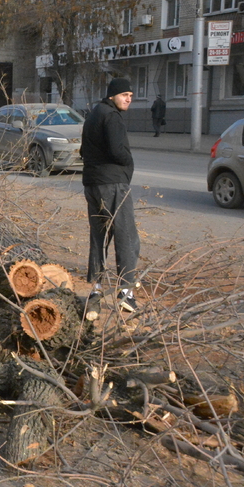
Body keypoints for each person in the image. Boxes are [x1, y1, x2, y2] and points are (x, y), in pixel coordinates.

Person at [81, 77, 140, 313]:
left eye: (131, 96)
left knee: (99, 238)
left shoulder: (94, 114)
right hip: (113, 184)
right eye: (125, 94)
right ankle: (126, 293)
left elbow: (84, 150)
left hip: (92, 184)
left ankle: (95, 293)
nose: (128, 99)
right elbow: (118, 150)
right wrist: (128, 162)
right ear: (112, 96)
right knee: (127, 237)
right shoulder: (112, 116)